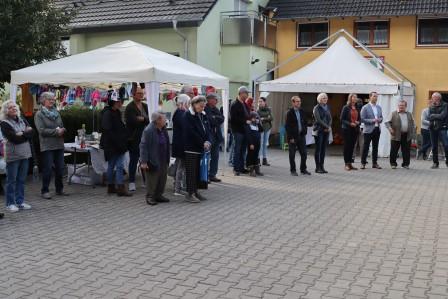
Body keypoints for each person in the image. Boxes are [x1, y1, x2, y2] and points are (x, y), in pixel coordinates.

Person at [0, 100, 33, 212]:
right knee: (11, 180)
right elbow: (13, 138)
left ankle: (20, 202)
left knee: (21, 180)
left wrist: (21, 134)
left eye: (14, 106)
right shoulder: (4, 123)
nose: (13, 108)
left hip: (25, 154)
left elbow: (32, 133)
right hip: (13, 155)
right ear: (6, 110)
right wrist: (25, 134)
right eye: (10, 107)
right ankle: (10, 203)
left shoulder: (22, 120)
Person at [34, 92, 67, 199]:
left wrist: (63, 130)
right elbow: (41, 131)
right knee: (47, 169)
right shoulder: (39, 114)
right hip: (47, 146)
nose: (52, 101)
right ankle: (45, 190)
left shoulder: (56, 113)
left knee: (60, 168)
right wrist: (56, 132)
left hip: (59, 144)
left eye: (53, 99)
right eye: (50, 99)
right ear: (43, 101)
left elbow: (61, 125)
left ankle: (59, 189)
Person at [100, 90, 132, 197]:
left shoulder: (116, 112)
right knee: (115, 165)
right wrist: (119, 142)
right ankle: (117, 187)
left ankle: (114, 187)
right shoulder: (108, 113)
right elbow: (108, 131)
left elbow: (119, 128)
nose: (121, 103)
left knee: (116, 165)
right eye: (119, 101)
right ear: (114, 101)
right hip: (113, 145)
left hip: (117, 144)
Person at [183, 96, 211, 203]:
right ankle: (190, 194)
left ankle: (196, 191)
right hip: (191, 148)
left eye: (204, 106)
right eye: (201, 106)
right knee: (191, 172)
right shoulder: (187, 115)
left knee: (198, 172)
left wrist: (208, 141)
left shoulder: (202, 115)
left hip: (201, 148)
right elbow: (191, 132)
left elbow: (207, 129)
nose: (202, 108)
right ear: (194, 104)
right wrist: (202, 142)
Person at [140, 112, 170, 205]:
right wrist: (144, 161)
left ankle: (158, 195)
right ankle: (150, 196)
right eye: (164, 119)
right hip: (153, 159)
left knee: (162, 178)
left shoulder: (163, 129)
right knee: (152, 179)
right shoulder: (148, 130)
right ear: (158, 120)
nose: (166, 121)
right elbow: (143, 146)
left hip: (163, 158)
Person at [125, 86, 149, 192]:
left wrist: (142, 119)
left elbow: (149, 119)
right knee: (133, 160)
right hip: (134, 138)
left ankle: (146, 181)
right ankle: (131, 182)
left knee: (145, 160)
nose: (141, 95)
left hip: (145, 137)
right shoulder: (129, 107)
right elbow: (131, 121)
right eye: (139, 93)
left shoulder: (145, 106)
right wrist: (142, 119)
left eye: (142, 93)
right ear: (133, 95)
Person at [385, 100, 416, 169]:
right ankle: (393, 164)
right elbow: (387, 122)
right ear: (398, 106)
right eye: (400, 105)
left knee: (406, 151)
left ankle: (405, 164)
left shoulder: (409, 114)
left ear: (406, 106)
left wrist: (413, 132)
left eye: (402, 105)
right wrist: (390, 129)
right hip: (396, 135)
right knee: (394, 150)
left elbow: (413, 123)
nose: (401, 107)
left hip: (406, 135)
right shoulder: (393, 113)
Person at [285, 96, 310, 176]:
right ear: (293, 102)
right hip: (293, 137)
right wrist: (291, 138)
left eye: (299, 101)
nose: (299, 103)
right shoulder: (289, 113)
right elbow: (287, 126)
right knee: (292, 155)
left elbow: (305, 122)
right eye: (297, 101)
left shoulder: (302, 111)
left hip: (301, 136)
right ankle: (293, 170)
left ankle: (303, 169)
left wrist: (304, 131)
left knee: (304, 154)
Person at [172, 94, 190, 196]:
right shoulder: (180, 113)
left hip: (180, 143)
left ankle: (178, 188)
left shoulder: (180, 112)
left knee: (180, 166)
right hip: (180, 144)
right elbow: (185, 127)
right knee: (180, 167)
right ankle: (177, 189)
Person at [230, 86, 250, 176]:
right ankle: (236, 168)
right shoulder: (235, 104)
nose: (247, 95)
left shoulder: (244, 104)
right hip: (237, 130)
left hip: (245, 130)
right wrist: (245, 121)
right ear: (241, 93)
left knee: (243, 150)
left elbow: (247, 115)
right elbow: (233, 118)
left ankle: (241, 168)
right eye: (246, 93)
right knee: (237, 150)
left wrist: (251, 118)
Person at [360, 92, 383, 169]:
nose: (375, 98)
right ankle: (363, 163)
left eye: (376, 96)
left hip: (377, 129)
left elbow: (381, 117)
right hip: (368, 130)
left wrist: (379, 119)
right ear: (370, 97)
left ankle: (375, 163)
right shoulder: (365, 107)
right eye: (374, 96)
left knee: (375, 147)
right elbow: (362, 119)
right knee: (366, 147)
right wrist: (372, 120)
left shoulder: (379, 107)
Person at [205, 92, 224, 183]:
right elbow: (210, 120)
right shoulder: (205, 108)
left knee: (215, 156)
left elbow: (222, 118)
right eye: (215, 99)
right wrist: (216, 118)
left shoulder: (216, 109)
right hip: (209, 136)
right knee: (207, 156)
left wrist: (215, 118)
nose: (216, 101)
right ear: (209, 100)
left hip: (217, 136)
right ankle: (206, 175)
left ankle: (212, 174)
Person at [340, 93, 361, 171]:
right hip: (347, 129)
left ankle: (350, 163)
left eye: (356, 97)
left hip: (355, 129)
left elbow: (360, 118)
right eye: (353, 97)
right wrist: (350, 123)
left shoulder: (357, 107)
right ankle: (346, 164)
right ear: (350, 98)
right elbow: (342, 119)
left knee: (352, 147)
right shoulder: (346, 107)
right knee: (347, 147)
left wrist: (358, 122)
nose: (355, 99)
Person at [312, 93, 332, 174]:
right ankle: (317, 167)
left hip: (326, 131)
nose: (325, 99)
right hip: (319, 130)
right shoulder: (316, 108)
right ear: (319, 99)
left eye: (326, 98)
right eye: (323, 98)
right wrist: (327, 126)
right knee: (318, 149)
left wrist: (329, 126)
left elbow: (330, 118)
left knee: (323, 149)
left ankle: (322, 166)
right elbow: (318, 120)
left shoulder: (327, 107)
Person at [428, 92, 448, 169]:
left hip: (442, 128)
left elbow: (443, 116)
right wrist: (434, 116)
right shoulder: (431, 106)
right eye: (433, 98)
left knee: (446, 145)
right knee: (434, 147)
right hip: (432, 128)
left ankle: (447, 162)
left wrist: (433, 116)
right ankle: (435, 163)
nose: (433, 99)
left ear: (439, 98)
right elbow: (429, 117)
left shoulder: (445, 105)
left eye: (435, 98)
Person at [244, 112, 263, 177]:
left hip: (257, 143)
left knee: (256, 155)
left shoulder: (257, 125)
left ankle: (257, 170)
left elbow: (261, 130)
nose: (255, 119)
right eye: (254, 118)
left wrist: (258, 123)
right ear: (251, 118)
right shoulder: (248, 125)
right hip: (252, 143)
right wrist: (251, 143)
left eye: (256, 118)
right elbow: (248, 135)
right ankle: (251, 170)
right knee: (250, 156)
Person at [257, 97, 273, 166]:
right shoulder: (257, 110)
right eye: (259, 101)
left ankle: (264, 159)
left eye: (261, 101)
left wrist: (264, 118)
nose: (260, 103)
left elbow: (272, 118)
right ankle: (257, 160)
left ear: (264, 102)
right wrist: (267, 118)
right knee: (260, 144)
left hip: (268, 128)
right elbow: (258, 118)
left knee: (265, 144)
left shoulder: (268, 109)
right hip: (261, 129)